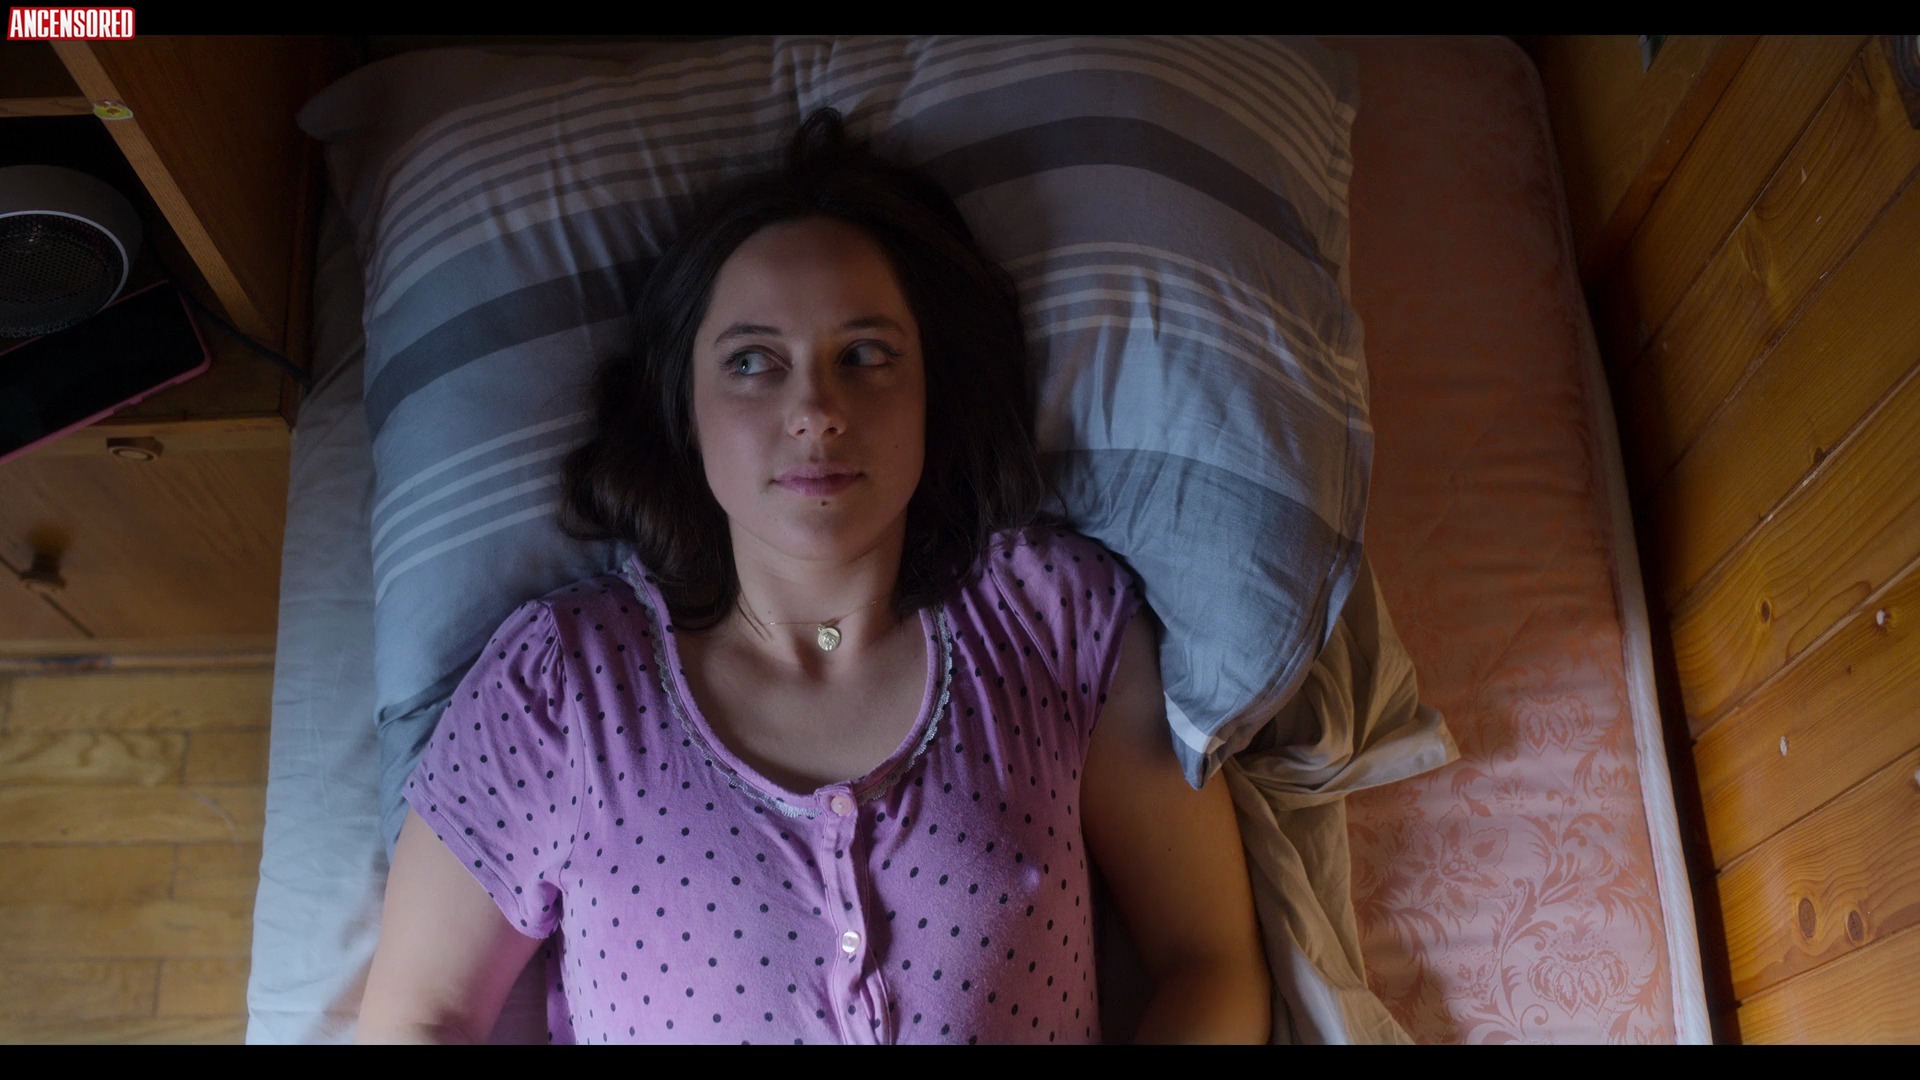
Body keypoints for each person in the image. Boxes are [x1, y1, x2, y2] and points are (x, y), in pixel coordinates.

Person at [356, 107, 1270, 1045]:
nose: (815, 409)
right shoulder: (564, 685)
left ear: (931, 390)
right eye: (753, 362)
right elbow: (421, 1015)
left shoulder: (1055, 621)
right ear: (685, 407)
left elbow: (1208, 962)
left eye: (865, 355)